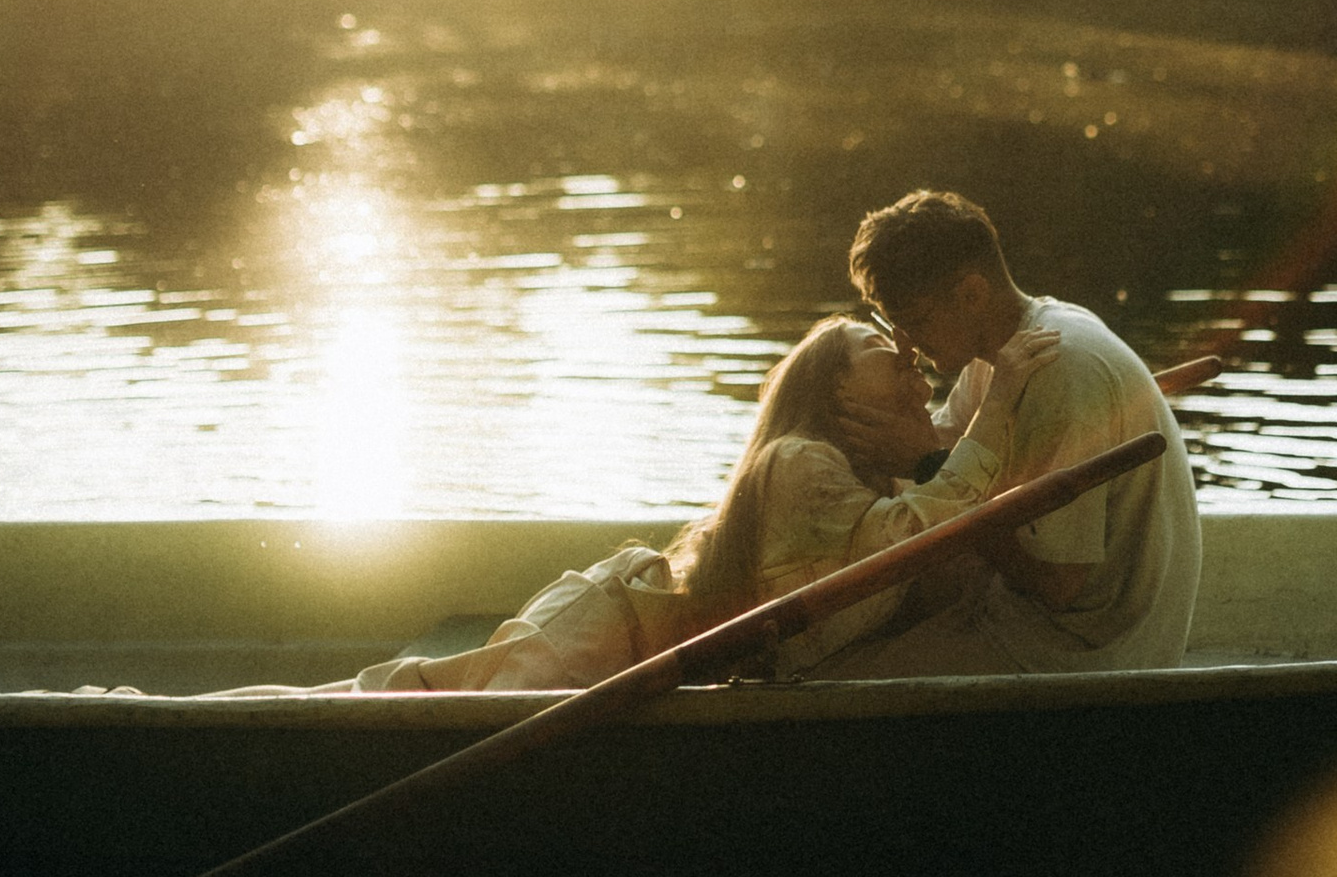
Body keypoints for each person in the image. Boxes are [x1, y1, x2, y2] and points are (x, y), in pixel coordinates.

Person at [349, 308, 1059, 695]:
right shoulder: (798, 462)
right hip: (607, 634)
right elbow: (917, 533)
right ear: (834, 391)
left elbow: (950, 483)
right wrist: (992, 416)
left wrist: (960, 420)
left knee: (416, 696)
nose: (910, 364)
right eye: (883, 350)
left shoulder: (879, 480)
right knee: (408, 704)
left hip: (646, 654)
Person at [829, 188, 1200, 674]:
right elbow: (948, 458)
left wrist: (924, 465)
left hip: (1085, 648)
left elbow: (1057, 583)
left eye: (916, 321)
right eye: (892, 324)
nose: (907, 345)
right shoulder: (1001, 356)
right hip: (1032, 615)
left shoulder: (1058, 364)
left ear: (971, 294)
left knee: (837, 675)